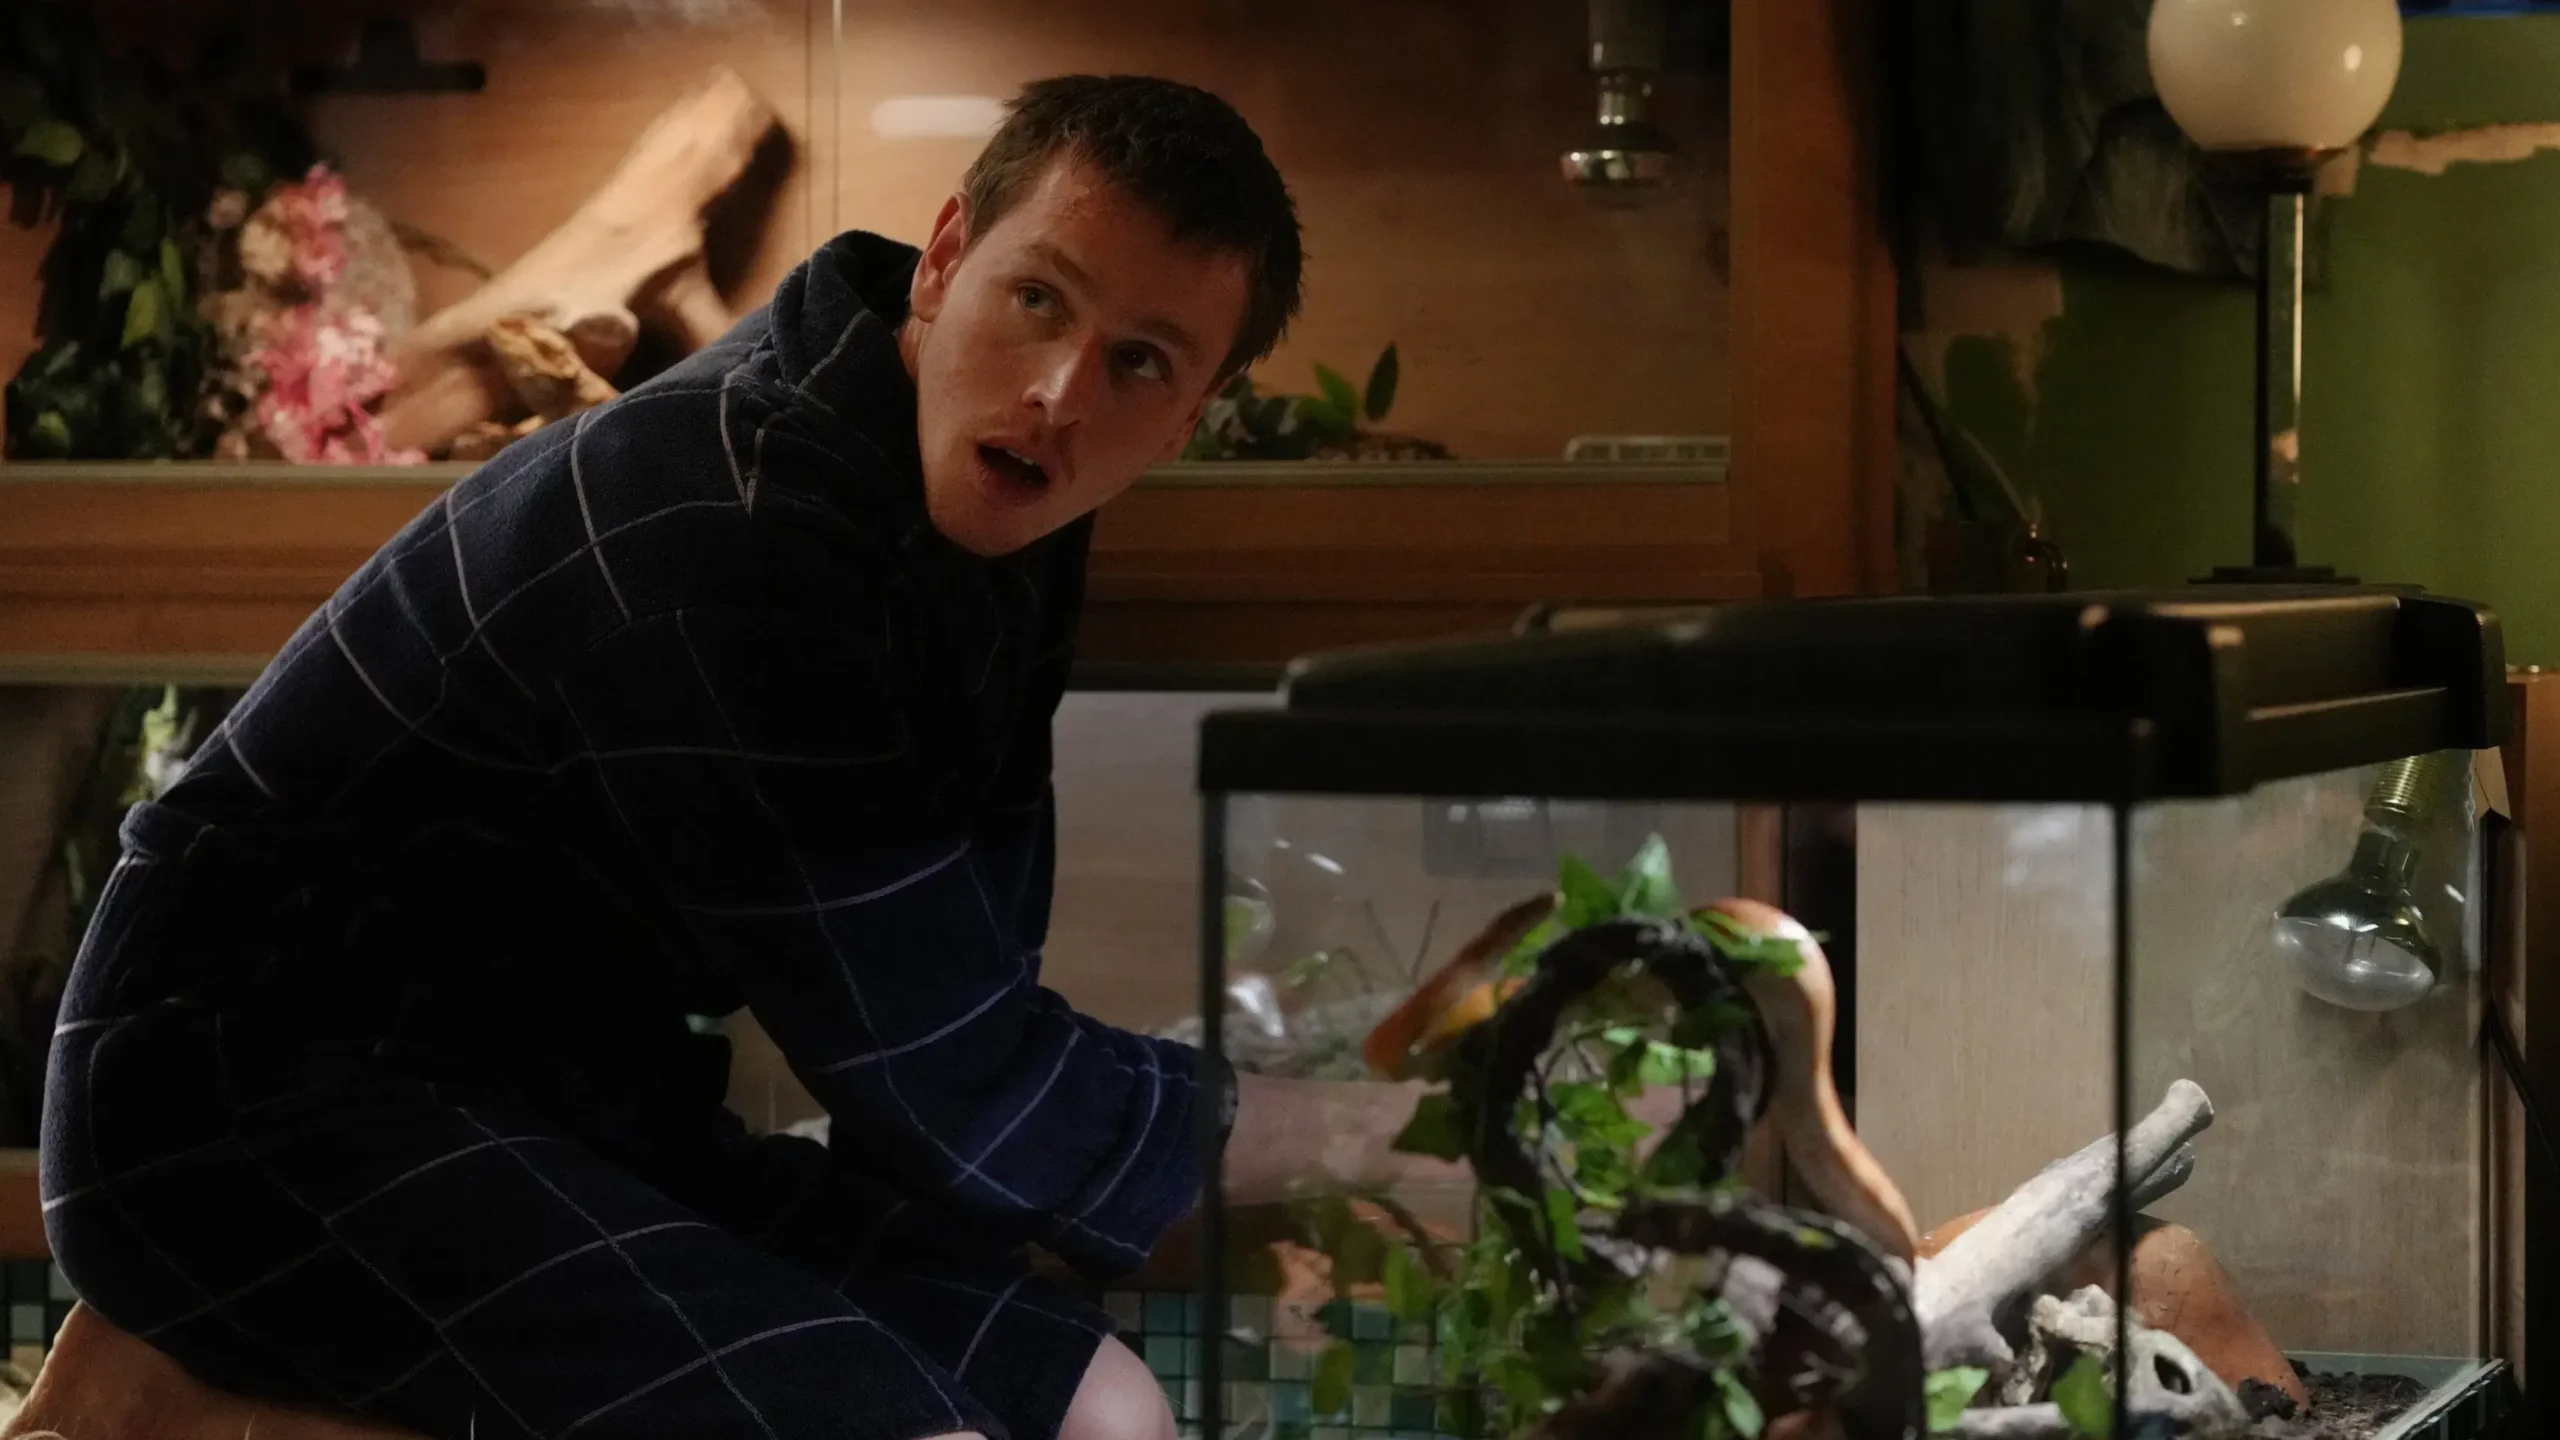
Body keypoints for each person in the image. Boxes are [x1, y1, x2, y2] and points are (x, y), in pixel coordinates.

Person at [36, 73, 1443, 1440]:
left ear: (1190, 413)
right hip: (247, 1100)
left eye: (1140, 362)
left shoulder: (992, 501)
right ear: (945, 259)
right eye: (1039, 299)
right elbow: (955, 1085)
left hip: (563, 1088)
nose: (1062, 391)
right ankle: (190, 1392)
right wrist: (1401, 1135)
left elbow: (963, 993)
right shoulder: (743, 526)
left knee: (1107, 1409)